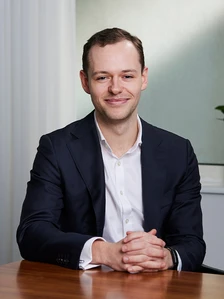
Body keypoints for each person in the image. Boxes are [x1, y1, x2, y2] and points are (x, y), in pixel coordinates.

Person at [17, 28, 205, 273]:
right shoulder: (56, 148)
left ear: (143, 78)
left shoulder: (179, 152)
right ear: (85, 82)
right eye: (103, 77)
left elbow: (192, 243)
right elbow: (32, 233)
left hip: (156, 287)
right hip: (81, 289)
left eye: (127, 76)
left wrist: (164, 257)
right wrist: (105, 252)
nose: (116, 88)